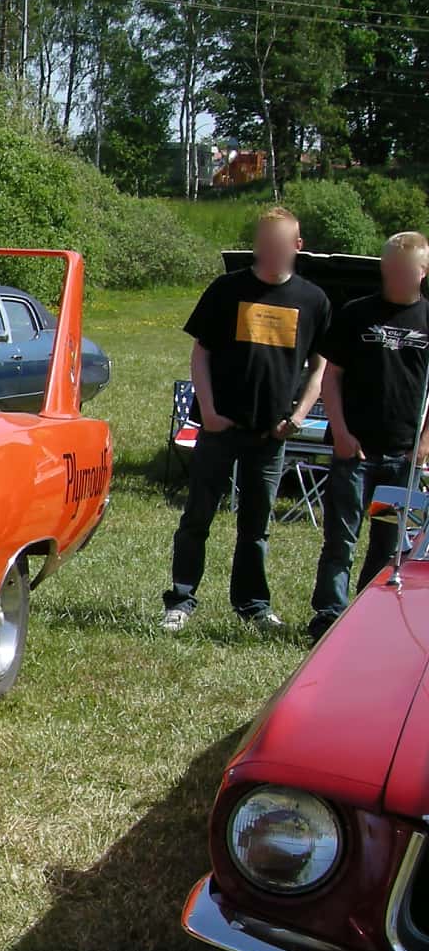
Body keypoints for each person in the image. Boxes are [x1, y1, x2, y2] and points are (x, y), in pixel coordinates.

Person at [161, 207, 332, 632]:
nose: (269, 252)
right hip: (220, 427)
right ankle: (180, 601)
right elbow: (201, 353)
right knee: (197, 517)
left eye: (278, 245)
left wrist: (298, 417)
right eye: (263, 244)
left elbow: (320, 366)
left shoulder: (313, 300)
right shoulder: (226, 290)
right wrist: (208, 411)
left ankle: (253, 605)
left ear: (297, 246)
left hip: (271, 433)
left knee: (255, 528)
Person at [306, 230, 429, 643]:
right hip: (353, 451)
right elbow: (331, 377)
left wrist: (424, 443)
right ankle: (328, 617)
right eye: (388, 270)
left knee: (388, 543)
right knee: (340, 539)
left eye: (403, 271)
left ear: (422, 272)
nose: (394, 277)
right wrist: (340, 432)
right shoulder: (356, 313)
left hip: (402, 457)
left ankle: (367, 617)